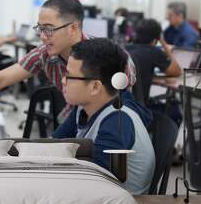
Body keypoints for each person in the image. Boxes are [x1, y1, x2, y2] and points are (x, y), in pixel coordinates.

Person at [0, 0, 136, 118]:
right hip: (74, 121)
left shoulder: (110, 57)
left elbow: (126, 109)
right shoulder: (45, 55)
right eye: (40, 29)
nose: (43, 36)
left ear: (73, 28)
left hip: (108, 126)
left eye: (49, 29)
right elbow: (2, 78)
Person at [53, 38, 155, 195]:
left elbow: (97, 182)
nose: (63, 81)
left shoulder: (118, 122)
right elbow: (54, 144)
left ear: (95, 86)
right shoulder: (84, 107)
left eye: (70, 76)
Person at [126, 19, 181, 104]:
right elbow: (177, 72)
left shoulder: (125, 49)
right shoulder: (154, 51)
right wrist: (165, 45)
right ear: (157, 38)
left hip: (123, 106)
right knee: (174, 109)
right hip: (141, 109)